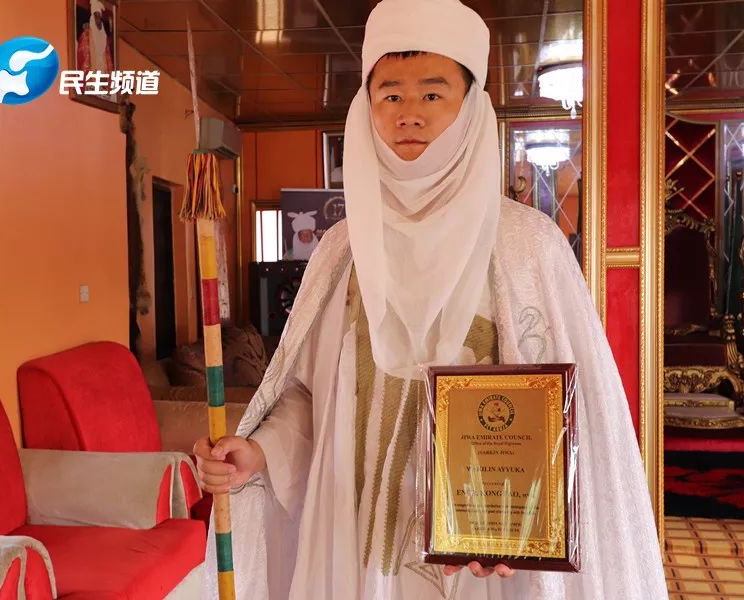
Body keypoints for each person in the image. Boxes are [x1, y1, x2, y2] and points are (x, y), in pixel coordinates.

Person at [195, 0, 669, 598]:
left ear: (471, 106)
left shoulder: (528, 245)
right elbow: (311, 399)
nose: (409, 114)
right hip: (353, 539)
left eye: (433, 93)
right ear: (366, 106)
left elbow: (575, 422)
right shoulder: (341, 250)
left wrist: (527, 525)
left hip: (486, 556)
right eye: (390, 94)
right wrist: (258, 450)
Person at [76, 0, 113, 73]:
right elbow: (83, 55)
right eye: (96, 16)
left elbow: (107, 56)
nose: (98, 20)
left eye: (99, 17)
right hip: (92, 72)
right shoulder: (86, 35)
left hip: (103, 72)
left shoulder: (103, 35)